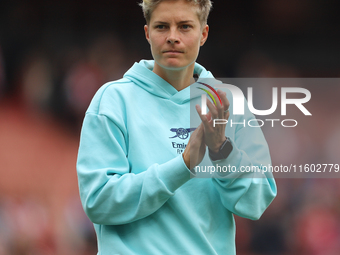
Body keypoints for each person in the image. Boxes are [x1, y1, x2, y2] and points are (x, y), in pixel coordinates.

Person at [76, 0, 277, 254]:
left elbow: (256, 202)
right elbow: (99, 202)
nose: (173, 37)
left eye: (184, 26)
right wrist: (182, 166)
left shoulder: (228, 103)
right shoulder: (113, 100)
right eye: (162, 27)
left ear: (203, 33)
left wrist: (221, 151)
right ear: (148, 32)